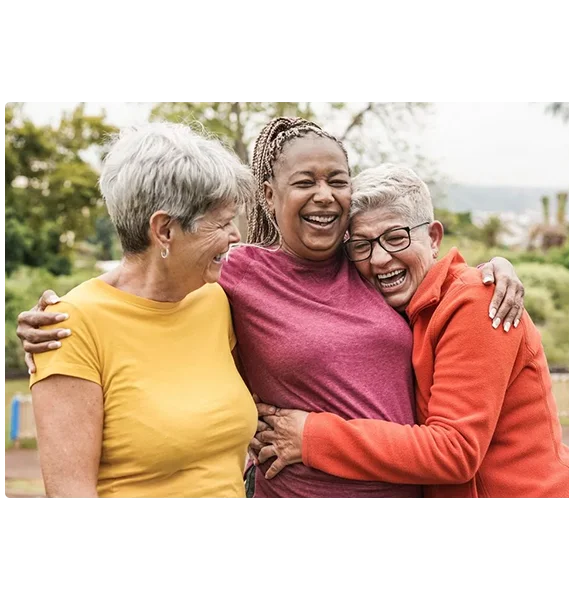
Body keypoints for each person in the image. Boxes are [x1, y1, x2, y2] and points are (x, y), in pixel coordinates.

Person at [18, 117, 526, 499]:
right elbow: (145, 282)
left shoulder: (367, 261)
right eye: (305, 182)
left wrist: (495, 268)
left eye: (337, 180)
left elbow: (425, 267)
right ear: (269, 194)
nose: (324, 196)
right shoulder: (232, 275)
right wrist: (56, 315)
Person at [249, 163, 569, 499]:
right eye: (362, 246)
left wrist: (311, 436)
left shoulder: (475, 301)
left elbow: (454, 451)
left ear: (433, 238)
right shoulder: (398, 311)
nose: (380, 259)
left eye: (396, 238)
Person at [27, 122, 258, 498]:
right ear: (164, 230)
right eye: (223, 223)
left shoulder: (215, 298)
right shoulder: (69, 327)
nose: (235, 237)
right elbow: (71, 498)